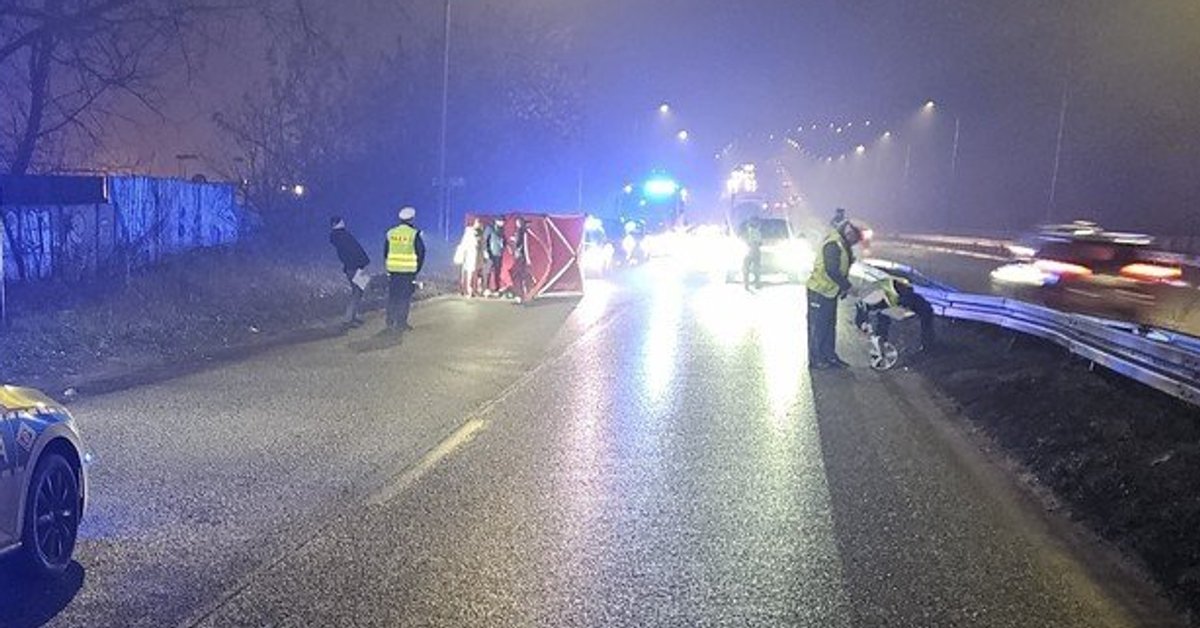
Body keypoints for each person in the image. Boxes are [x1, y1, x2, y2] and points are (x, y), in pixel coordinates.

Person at [806, 218, 863, 369]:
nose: (854, 243)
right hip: (819, 290)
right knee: (818, 327)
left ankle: (830, 356)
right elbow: (831, 270)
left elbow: (842, 267)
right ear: (848, 232)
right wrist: (848, 287)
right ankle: (816, 359)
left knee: (829, 325)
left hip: (829, 291)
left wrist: (842, 288)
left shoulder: (842, 244)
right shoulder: (833, 244)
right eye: (853, 239)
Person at [855, 274, 937, 352]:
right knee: (883, 315)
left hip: (898, 295)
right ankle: (882, 339)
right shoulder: (869, 299)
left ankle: (928, 345)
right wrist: (862, 325)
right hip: (890, 296)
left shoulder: (902, 294)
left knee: (925, 311)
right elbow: (862, 309)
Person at [383, 206, 426, 332]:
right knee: (404, 298)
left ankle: (390, 321)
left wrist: (390, 265)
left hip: (393, 271)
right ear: (412, 219)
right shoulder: (414, 234)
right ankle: (401, 323)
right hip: (408, 272)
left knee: (393, 297)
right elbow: (421, 252)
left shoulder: (391, 233)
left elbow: (386, 251)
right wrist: (417, 268)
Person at [329, 215, 370, 327]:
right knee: (357, 291)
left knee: (358, 290)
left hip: (351, 267)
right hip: (355, 267)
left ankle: (352, 316)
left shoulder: (339, 237)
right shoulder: (343, 236)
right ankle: (348, 318)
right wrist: (362, 262)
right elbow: (354, 250)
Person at [454, 219, 484, 297]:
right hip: (469, 255)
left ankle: (474, 290)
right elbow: (464, 244)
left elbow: (482, 246)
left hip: (477, 256)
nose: (479, 224)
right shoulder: (469, 232)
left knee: (476, 273)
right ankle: (467, 290)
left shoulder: (480, 233)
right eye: (478, 222)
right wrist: (462, 254)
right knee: (468, 273)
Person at [482, 217, 506, 296]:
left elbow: (504, 240)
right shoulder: (490, 228)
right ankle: (486, 288)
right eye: (501, 221)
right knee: (488, 271)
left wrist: (504, 246)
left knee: (497, 272)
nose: (503, 223)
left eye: (503, 222)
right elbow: (485, 240)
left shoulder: (502, 230)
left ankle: (497, 288)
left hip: (498, 253)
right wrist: (485, 251)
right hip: (490, 253)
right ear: (497, 221)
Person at [509, 216, 531, 302]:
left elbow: (518, 243)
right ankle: (525, 292)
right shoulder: (525, 232)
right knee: (523, 274)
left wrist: (513, 240)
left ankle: (519, 294)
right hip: (523, 256)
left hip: (519, 256)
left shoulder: (519, 231)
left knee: (516, 274)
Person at [742, 217, 763, 292]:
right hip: (755, 251)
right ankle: (756, 283)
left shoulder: (747, 231)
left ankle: (747, 284)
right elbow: (760, 242)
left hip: (749, 251)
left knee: (746, 269)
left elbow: (743, 239)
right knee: (756, 268)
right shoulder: (756, 232)